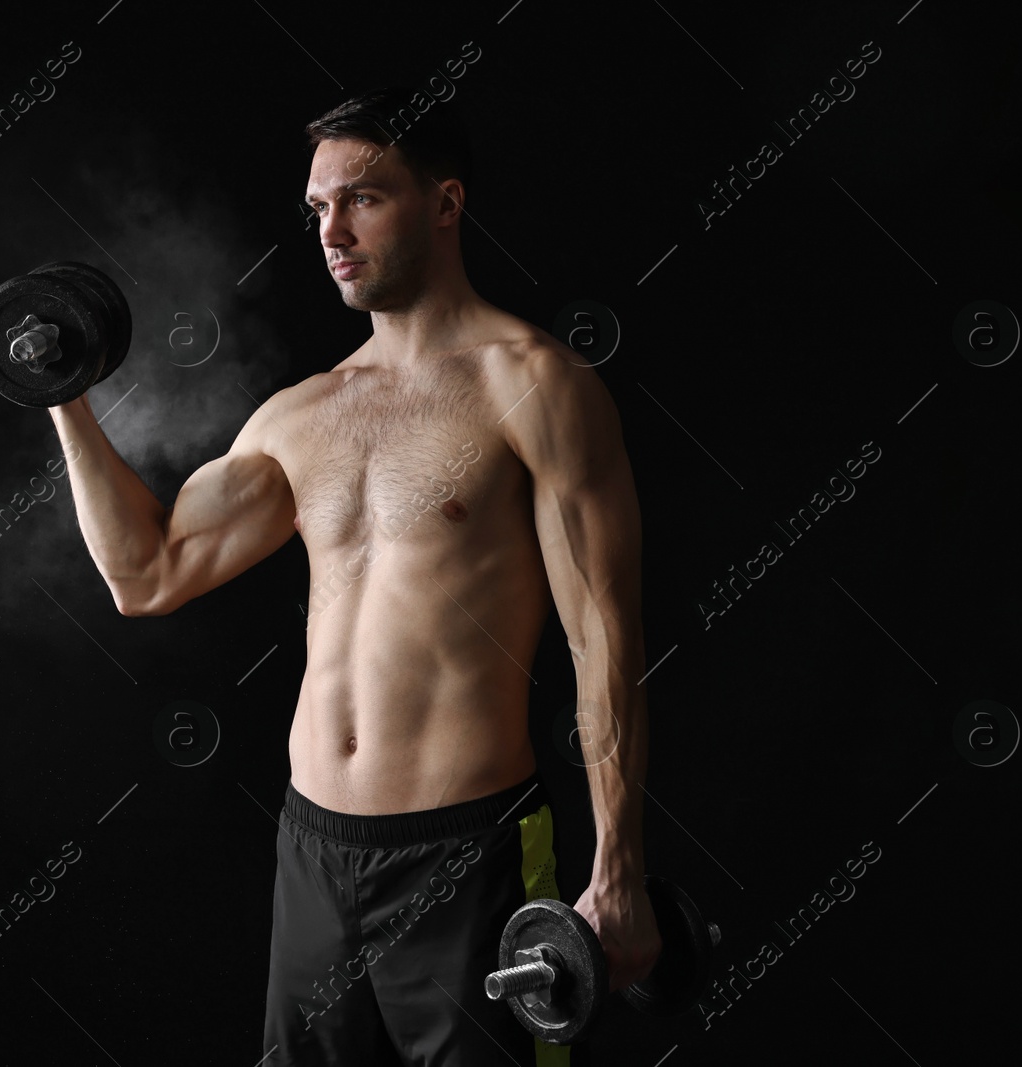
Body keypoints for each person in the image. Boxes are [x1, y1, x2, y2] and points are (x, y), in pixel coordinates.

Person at [47, 85, 659, 1065]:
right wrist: (65, 393)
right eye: (317, 208)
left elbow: (604, 637)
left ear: (445, 203)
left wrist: (616, 866)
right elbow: (147, 574)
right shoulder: (301, 415)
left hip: (470, 854)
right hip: (314, 849)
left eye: (362, 199)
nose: (330, 230)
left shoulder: (533, 384)